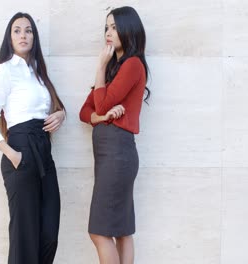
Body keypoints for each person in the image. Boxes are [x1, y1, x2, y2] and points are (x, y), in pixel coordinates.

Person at [0, 12, 65, 264]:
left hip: (43, 151)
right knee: (24, 238)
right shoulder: (5, 71)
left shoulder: (39, 72)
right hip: (20, 150)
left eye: (28, 30)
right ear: (10, 37)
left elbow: (51, 107)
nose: (23, 35)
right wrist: (12, 154)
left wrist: (61, 114)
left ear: (34, 37)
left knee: (49, 234)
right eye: (17, 30)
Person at [79, 6, 150, 264]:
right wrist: (102, 117)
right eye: (106, 27)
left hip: (118, 154)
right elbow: (86, 111)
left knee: (99, 232)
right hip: (112, 156)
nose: (108, 32)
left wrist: (99, 66)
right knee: (121, 231)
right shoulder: (114, 69)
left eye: (114, 27)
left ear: (128, 29)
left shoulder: (132, 64)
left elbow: (100, 103)